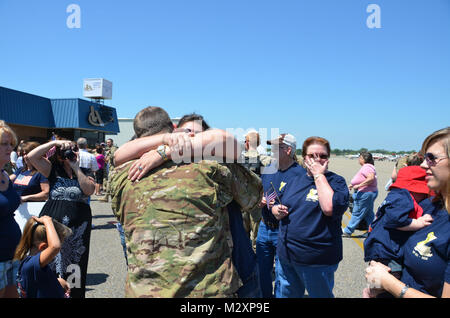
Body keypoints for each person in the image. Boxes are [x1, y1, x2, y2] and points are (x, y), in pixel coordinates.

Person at [110, 106, 263, 297]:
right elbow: (254, 196)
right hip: (204, 290)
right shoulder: (212, 165)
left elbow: (118, 157)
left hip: (143, 291)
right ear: (174, 130)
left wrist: (164, 150)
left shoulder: (120, 174)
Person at [365, 127, 449, 298]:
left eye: (432, 157)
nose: (424, 164)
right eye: (425, 157)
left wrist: (389, 283)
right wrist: (373, 287)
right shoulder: (428, 206)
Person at [274, 136, 349, 298]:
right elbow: (279, 202)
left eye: (323, 156)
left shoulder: (336, 182)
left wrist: (319, 175)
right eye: (312, 156)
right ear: (304, 158)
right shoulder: (294, 180)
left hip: (317, 259)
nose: (318, 159)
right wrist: (275, 210)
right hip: (287, 255)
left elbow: (329, 207)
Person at [27, 139, 95, 298]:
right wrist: (55, 142)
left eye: (73, 149)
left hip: (77, 227)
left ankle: (73, 295)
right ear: (58, 154)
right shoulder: (52, 169)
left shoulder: (85, 170)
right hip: (53, 225)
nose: (70, 153)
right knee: (49, 262)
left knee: (75, 264)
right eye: (66, 150)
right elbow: (31, 156)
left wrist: (76, 167)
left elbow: (89, 190)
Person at [363, 165, 433, 297]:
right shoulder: (404, 197)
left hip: (378, 244)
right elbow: (394, 220)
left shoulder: (394, 195)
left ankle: (371, 291)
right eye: (422, 194)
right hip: (386, 248)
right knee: (390, 276)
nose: (424, 197)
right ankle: (371, 292)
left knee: (378, 273)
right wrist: (418, 223)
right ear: (414, 189)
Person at [254, 133, 305, 298]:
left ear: (288, 150)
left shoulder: (300, 175)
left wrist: (271, 205)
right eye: (271, 147)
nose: (272, 151)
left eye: (276, 148)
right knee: (262, 272)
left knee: (284, 275)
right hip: (264, 228)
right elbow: (264, 192)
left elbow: (299, 205)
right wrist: (263, 201)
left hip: (284, 230)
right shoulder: (268, 169)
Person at [14, 216, 72, 298]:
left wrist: (57, 282)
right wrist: (47, 221)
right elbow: (55, 246)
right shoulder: (31, 264)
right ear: (43, 247)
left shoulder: (31, 264)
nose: (57, 254)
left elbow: (39, 283)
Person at [0, 120, 21, 298]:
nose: (10, 149)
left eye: (11, 144)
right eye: (4, 144)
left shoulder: (5, 174)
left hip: (12, 253)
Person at [343, 151, 378, 236]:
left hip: (365, 193)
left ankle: (348, 231)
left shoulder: (367, 167)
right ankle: (373, 231)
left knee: (357, 212)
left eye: (360, 158)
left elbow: (371, 178)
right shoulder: (368, 167)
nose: (358, 159)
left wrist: (359, 185)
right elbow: (363, 178)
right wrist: (353, 184)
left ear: (363, 159)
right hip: (369, 192)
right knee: (368, 214)